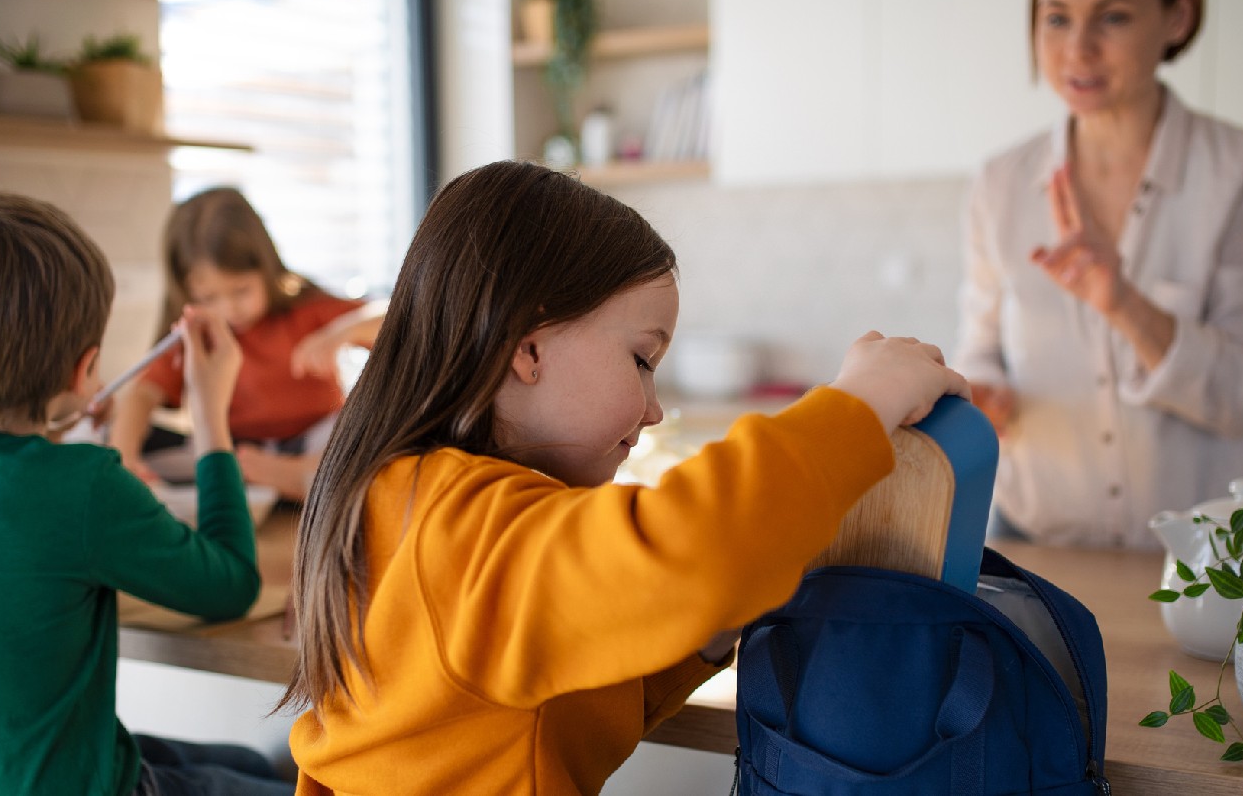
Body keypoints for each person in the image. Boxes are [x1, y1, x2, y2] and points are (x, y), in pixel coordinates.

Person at [279, 161, 970, 794]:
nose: (653, 405)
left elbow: (551, 711)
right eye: (641, 359)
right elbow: (691, 542)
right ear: (528, 345)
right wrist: (860, 404)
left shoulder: (411, 500)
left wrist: (702, 637)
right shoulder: (456, 527)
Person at [0, 191, 292, 795]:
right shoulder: (82, 485)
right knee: (298, 779)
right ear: (84, 371)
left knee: (255, 764)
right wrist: (211, 411)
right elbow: (232, 584)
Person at [951, 0, 1243, 549]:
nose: (1077, 50)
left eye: (1112, 16)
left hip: (1203, 560)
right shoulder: (999, 183)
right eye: (1057, 18)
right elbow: (981, 347)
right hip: (1034, 542)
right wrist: (982, 398)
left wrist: (1124, 305)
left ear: (1177, 15)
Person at [110, 187, 385, 502]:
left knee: (368, 441)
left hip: (317, 438)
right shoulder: (193, 333)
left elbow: (394, 318)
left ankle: (297, 475)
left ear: (266, 268)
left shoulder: (305, 307)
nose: (228, 309)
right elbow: (143, 394)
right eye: (209, 298)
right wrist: (124, 456)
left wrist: (342, 331)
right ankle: (294, 478)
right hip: (237, 449)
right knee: (147, 449)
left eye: (241, 290)